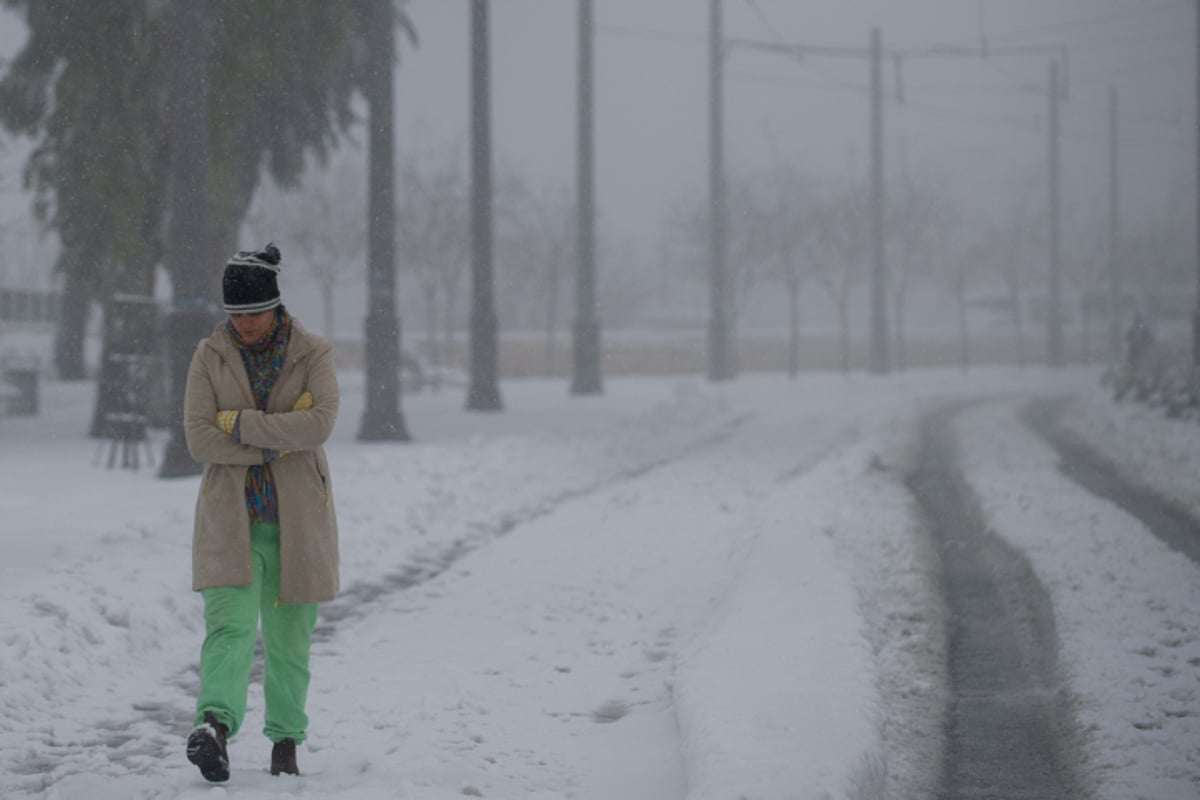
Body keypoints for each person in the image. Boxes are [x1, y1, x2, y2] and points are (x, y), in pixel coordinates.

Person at [182, 242, 339, 782]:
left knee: (289, 640)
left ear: (275, 305)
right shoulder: (209, 356)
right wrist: (278, 439)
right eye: (235, 316)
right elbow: (200, 437)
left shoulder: (313, 353)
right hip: (230, 520)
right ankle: (214, 727)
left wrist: (241, 425)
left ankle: (286, 743)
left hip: (298, 522)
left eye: (253, 314)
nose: (244, 325)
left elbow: (319, 424)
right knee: (226, 628)